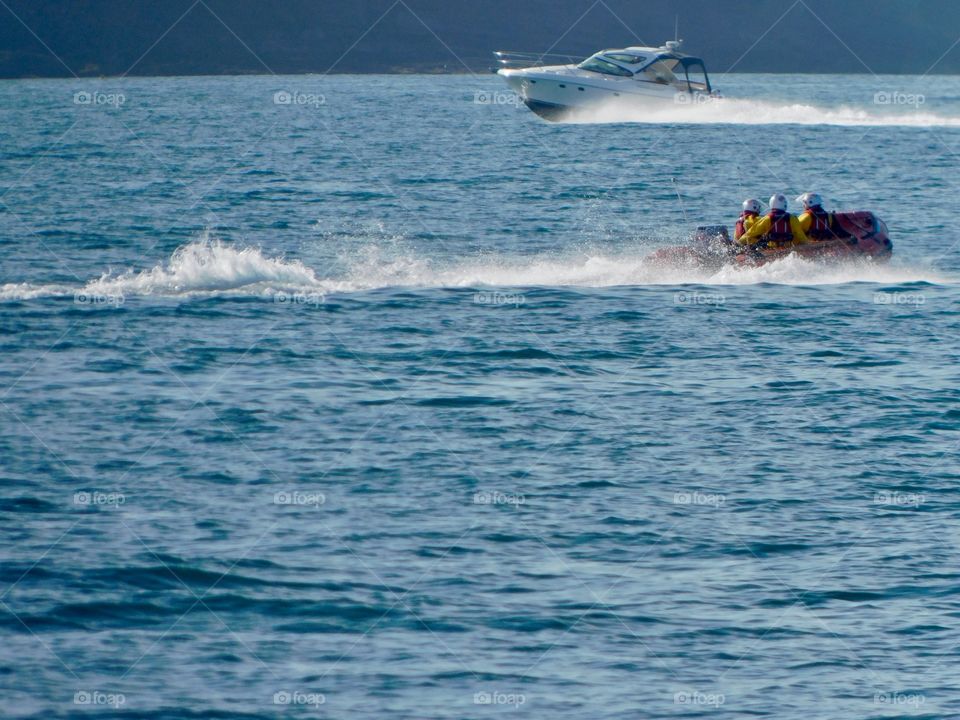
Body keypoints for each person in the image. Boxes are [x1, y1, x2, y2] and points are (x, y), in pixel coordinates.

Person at [738, 193, 809, 249]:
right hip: (788, 248)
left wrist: (738, 243)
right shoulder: (792, 218)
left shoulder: (767, 218)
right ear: (785, 204)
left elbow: (751, 233)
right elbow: (800, 235)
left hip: (771, 249)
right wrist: (807, 245)